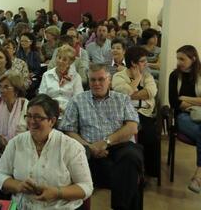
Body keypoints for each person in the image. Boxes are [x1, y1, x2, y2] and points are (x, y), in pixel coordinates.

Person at [60, 64, 143, 210]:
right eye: (92, 80)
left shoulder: (122, 99)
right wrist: (89, 146)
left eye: (101, 79)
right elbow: (68, 130)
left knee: (131, 157)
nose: (97, 83)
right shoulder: (77, 100)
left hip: (119, 145)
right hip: (88, 148)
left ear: (109, 80)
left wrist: (106, 142)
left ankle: (120, 207)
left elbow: (132, 127)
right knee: (127, 175)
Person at [0, 94, 93, 209]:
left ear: (52, 120)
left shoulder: (71, 147)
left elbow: (86, 186)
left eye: (37, 117)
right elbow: (0, 174)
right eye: (29, 116)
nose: (31, 121)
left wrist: (57, 192)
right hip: (22, 206)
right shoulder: (16, 143)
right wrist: (18, 185)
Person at [112, 46, 158, 178]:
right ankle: (131, 170)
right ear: (133, 63)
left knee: (150, 135)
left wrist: (132, 92)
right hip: (124, 114)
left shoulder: (147, 76)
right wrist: (137, 80)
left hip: (144, 112)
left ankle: (149, 171)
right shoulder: (118, 76)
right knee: (127, 136)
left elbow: (151, 92)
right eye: (143, 61)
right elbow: (124, 95)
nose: (146, 64)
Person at [169, 45, 201, 193]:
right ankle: (198, 178)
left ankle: (198, 176)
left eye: (182, 58)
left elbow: (180, 100)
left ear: (193, 59)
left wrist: (185, 98)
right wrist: (197, 101)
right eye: (178, 58)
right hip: (182, 116)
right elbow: (174, 102)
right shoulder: (174, 76)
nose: (179, 62)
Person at [0, 72, 28, 147]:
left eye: (6, 87)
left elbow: (33, 133)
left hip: (23, 146)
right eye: (0, 87)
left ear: (16, 90)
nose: (1, 90)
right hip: (0, 146)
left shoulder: (27, 106)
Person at [39, 46, 83, 113]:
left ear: (70, 62)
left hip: (69, 112)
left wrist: (65, 110)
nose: (60, 61)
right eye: (59, 57)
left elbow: (79, 99)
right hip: (49, 112)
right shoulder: (47, 75)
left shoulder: (76, 77)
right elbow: (42, 96)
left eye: (64, 59)